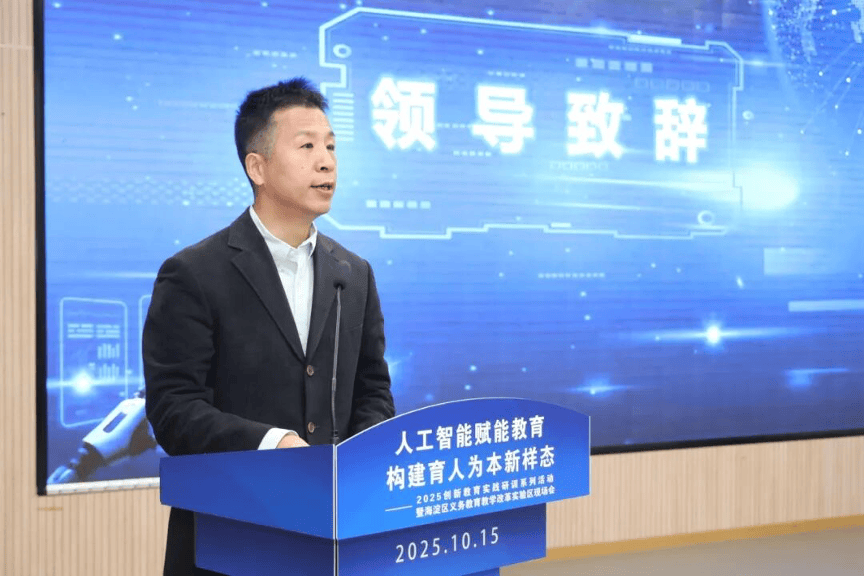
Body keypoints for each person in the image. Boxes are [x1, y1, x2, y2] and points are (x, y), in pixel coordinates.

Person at [143, 77, 395, 576]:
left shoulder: (353, 273)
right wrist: (272, 443)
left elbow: (373, 390)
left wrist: (360, 459)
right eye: (307, 146)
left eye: (331, 147)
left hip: (336, 534)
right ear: (256, 167)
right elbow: (174, 408)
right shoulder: (194, 273)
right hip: (231, 535)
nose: (326, 162)